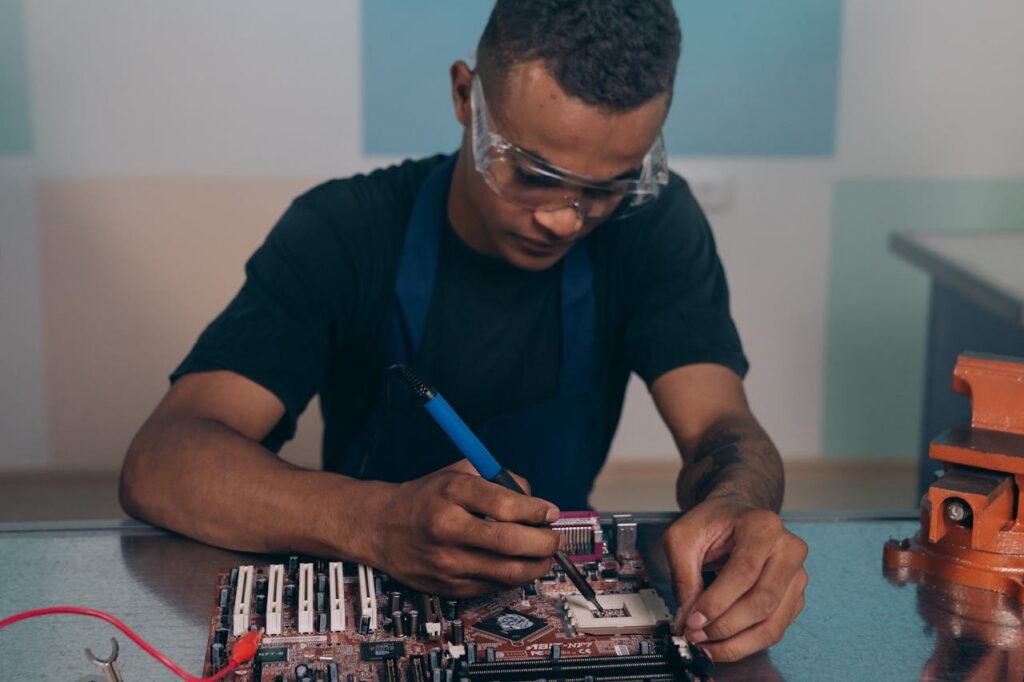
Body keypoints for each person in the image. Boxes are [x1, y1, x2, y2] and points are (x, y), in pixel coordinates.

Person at [119, 0, 807, 663]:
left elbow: (723, 424)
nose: (567, 219)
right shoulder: (344, 232)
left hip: (556, 599)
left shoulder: (653, 227)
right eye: (536, 175)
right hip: (365, 602)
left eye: (608, 186)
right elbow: (164, 460)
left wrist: (739, 504)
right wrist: (377, 522)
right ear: (465, 97)